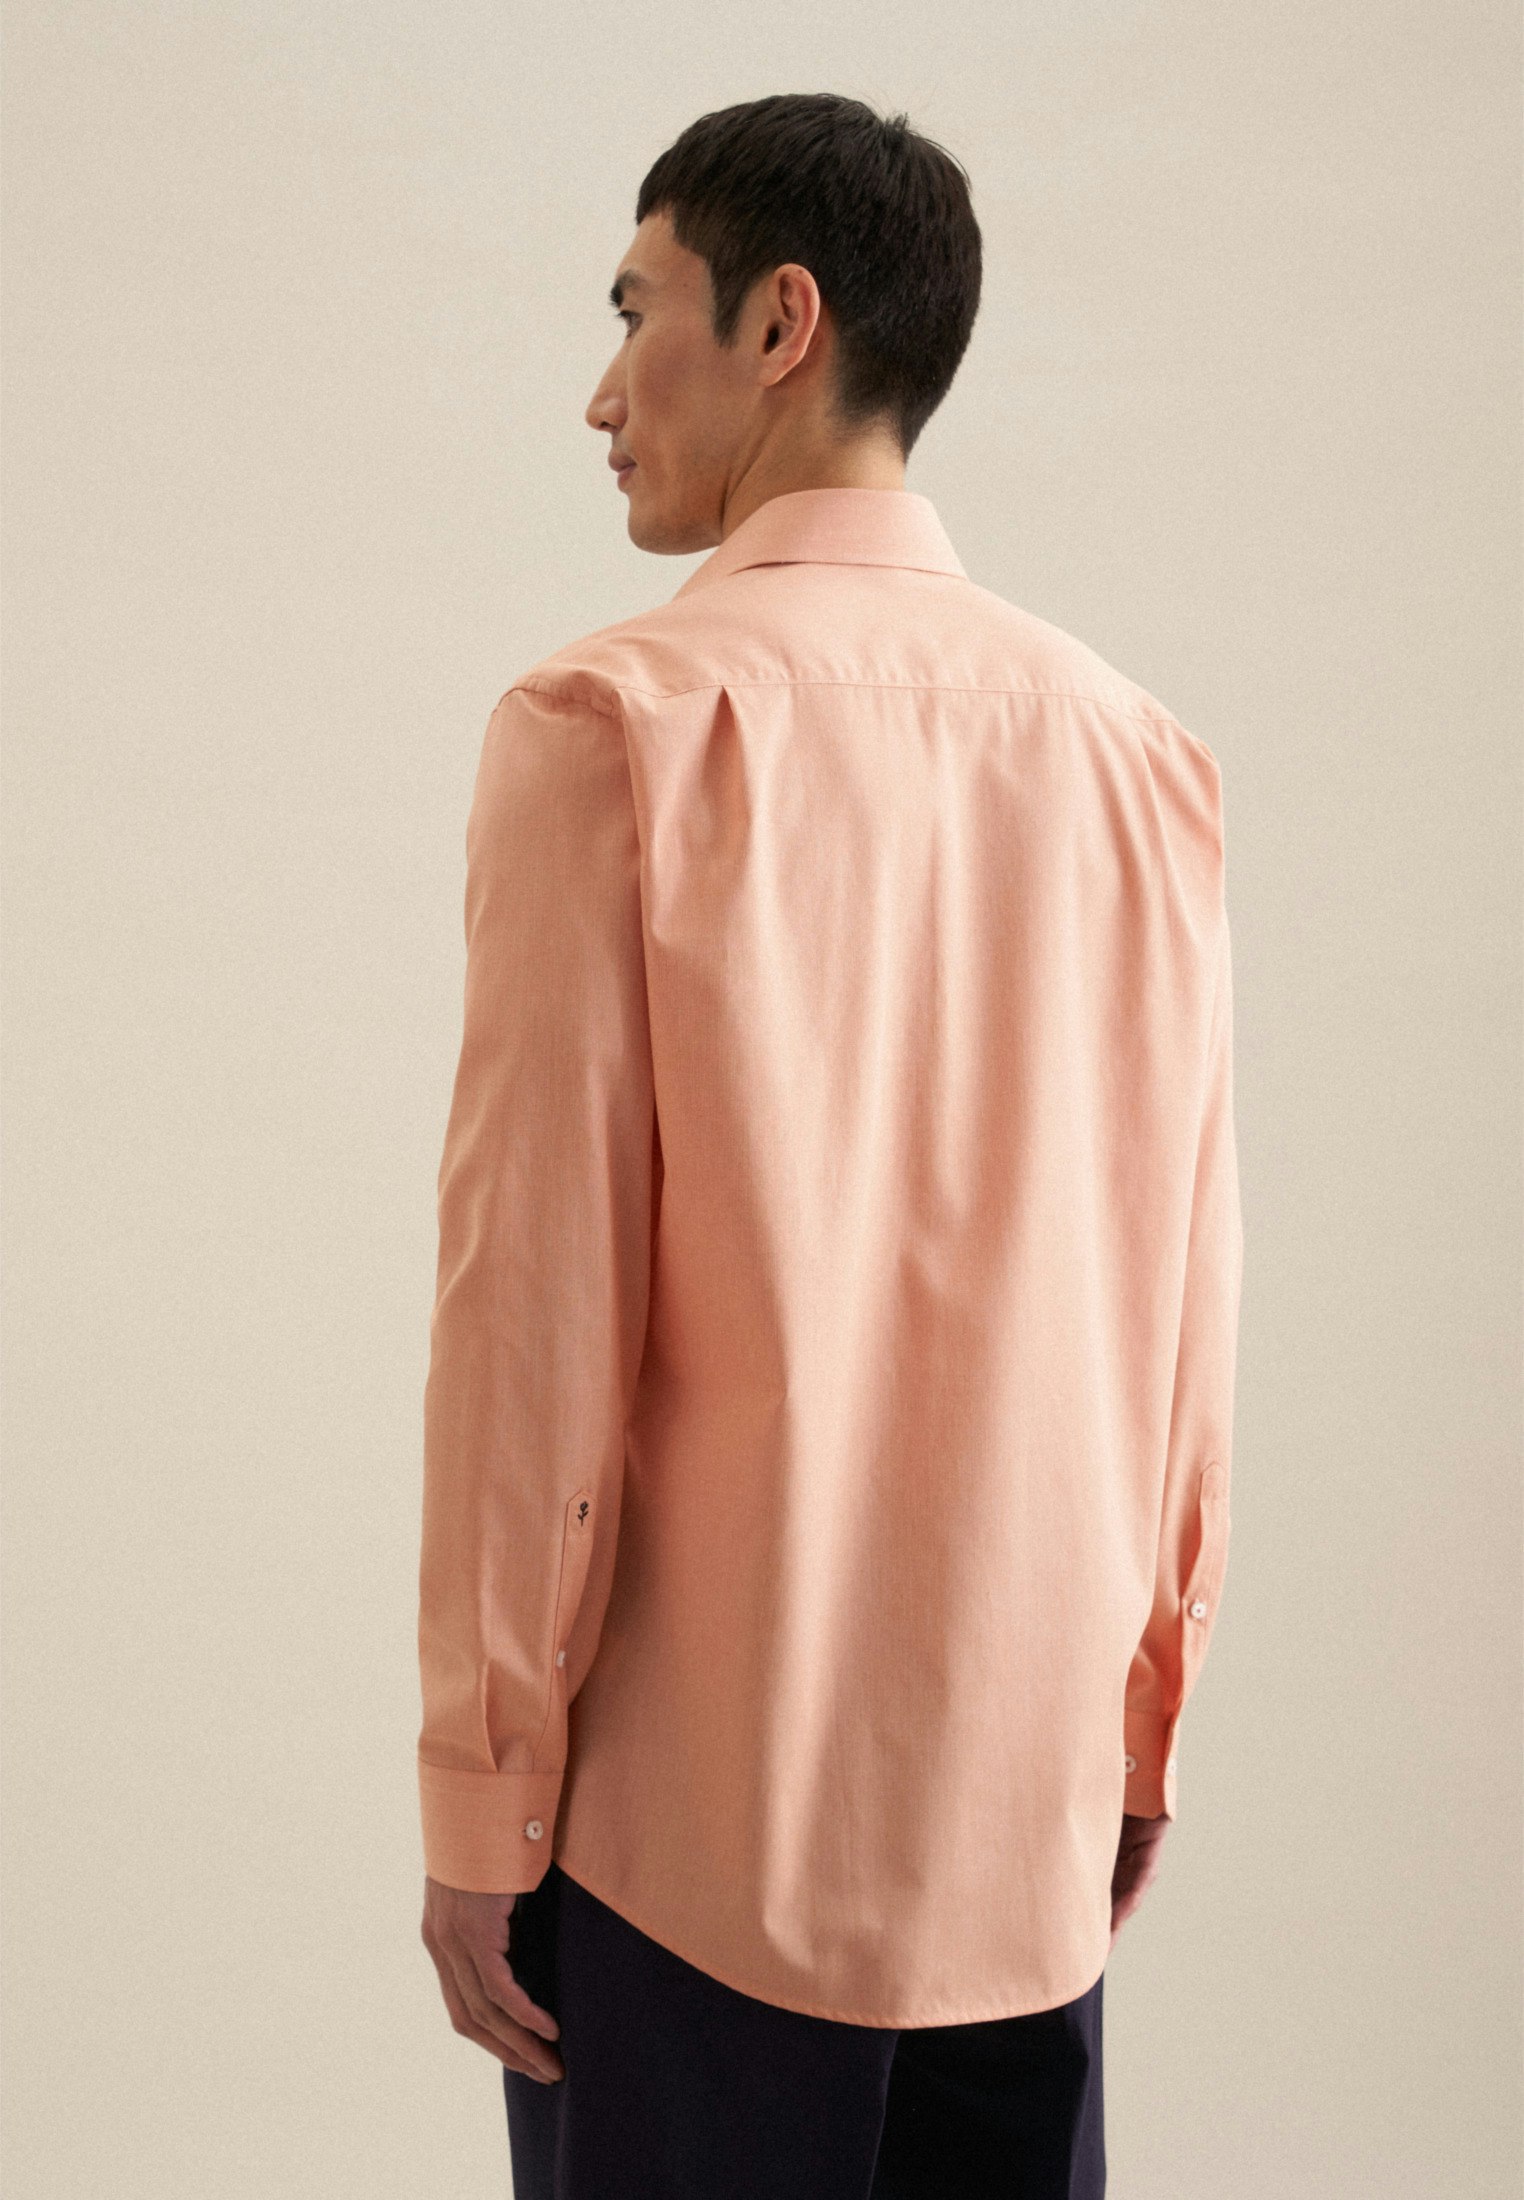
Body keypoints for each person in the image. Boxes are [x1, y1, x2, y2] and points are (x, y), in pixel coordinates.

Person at [415, 91, 1244, 2200]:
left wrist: (483, 1790)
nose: (603, 392)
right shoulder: (1139, 755)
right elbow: (1185, 1297)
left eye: (637, 312)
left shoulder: (610, 728)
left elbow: (533, 1323)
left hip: (686, 1855)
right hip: (1026, 1822)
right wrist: (1144, 1718)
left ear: (782, 323)